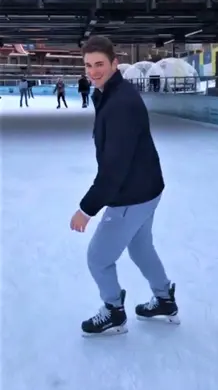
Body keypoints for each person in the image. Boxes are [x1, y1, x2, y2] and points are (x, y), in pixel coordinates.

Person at [70, 36, 179, 336]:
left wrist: (86, 208)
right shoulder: (109, 93)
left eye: (99, 64)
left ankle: (114, 311)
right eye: (88, 65)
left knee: (98, 257)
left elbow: (113, 169)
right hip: (147, 187)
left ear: (114, 64)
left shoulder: (120, 103)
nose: (93, 71)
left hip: (131, 193)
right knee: (141, 247)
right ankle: (164, 300)